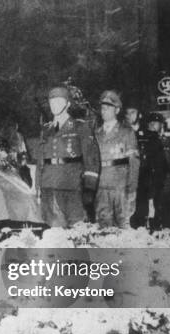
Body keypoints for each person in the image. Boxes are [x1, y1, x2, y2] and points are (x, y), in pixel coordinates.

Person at [28, 86, 100, 228]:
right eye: (52, 101)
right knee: (55, 233)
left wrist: (89, 189)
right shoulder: (46, 130)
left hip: (72, 187)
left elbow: (91, 160)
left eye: (59, 101)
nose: (54, 105)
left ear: (67, 104)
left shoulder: (80, 127)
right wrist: (38, 187)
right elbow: (40, 161)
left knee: (77, 232)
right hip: (49, 186)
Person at [94, 90, 140, 228]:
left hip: (121, 185)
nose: (104, 111)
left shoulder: (126, 132)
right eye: (102, 108)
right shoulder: (96, 133)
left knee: (123, 223)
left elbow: (134, 162)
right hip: (101, 185)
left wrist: (132, 188)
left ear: (117, 110)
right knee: (103, 225)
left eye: (108, 108)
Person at [125, 103, 166, 229]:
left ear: (139, 114)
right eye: (127, 113)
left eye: (132, 112)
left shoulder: (149, 135)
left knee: (144, 207)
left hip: (145, 178)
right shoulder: (121, 134)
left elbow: (158, 161)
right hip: (126, 176)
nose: (129, 116)